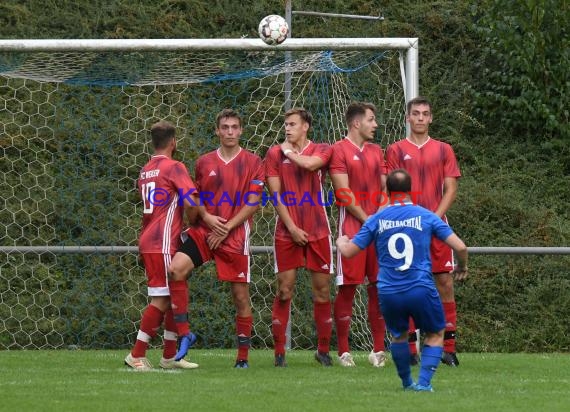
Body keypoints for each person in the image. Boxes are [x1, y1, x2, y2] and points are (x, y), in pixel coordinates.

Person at [336, 169, 468, 392]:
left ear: (386, 190)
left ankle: (407, 383)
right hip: (420, 287)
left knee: (398, 335)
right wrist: (462, 266)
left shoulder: (377, 219)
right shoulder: (426, 216)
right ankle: (424, 384)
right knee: (436, 334)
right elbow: (461, 247)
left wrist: (341, 241)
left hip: (389, 291)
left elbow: (349, 252)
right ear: (410, 190)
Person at [168, 109, 264, 368]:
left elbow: (253, 203)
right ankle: (185, 334)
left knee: (240, 298)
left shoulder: (254, 162)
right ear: (217, 131)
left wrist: (227, 227)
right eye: (225, 127)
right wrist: (209, 220)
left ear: (241, 130)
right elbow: (194, 198)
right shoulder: (204, 162)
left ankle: (242, 359)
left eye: (234, 127)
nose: (230, 132)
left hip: (234, 237)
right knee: (176, 269)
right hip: (205, 232)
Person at [385, 96, 462, 367]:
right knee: (407, 287)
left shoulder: (443, 149)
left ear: (431, 118)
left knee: (444, 284)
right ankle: (411, 348)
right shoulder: (395, 149)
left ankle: (448, 348)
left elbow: (451, 189)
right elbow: (391, 189)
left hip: (437, 227)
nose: (420, 118)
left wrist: (434, 219)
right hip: (406, 229)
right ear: (408, 118)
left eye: (425, 114)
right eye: (415, 113)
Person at [125, 120, 200, 371]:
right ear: (173, 142)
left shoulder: (146, 169)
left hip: (149, 237)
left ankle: (169, 357)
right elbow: (191, 201)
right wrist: (195, 223)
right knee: (161, 300)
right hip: (163, 241)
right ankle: (136, 354)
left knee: (170, 298)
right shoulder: (174, 167)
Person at [265, 108, 334, 367]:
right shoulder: (273, 153)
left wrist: (288, 151)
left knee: (322, 291)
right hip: (286, 231)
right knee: (284, 291)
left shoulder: (322, 149)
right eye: (285, 124)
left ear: (306, 126)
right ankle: (279, 353)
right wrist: (292, 227)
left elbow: (310, 165)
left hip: (318, 230)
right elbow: (275, 195)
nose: (287, 128)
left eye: (292, 124)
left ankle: (323, 351)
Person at [329, 102, 388, 367]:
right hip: (352, 230)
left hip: (379, 231)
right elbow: (343, 193)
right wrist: (369, 221)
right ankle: (344, 351)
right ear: (356, 123)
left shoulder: (377, 151)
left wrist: (380, 217)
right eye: (371, 120)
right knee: (348, 289)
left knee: (378, 288)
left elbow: (386, 189)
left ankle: (378, 351)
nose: (375, 125)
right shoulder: (338, 150)